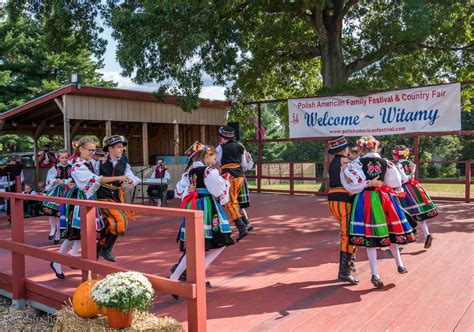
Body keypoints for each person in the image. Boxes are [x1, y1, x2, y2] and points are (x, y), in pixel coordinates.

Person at [50, 137, 131, 279]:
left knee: (79, 234)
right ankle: (60, 261)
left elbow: (100, 165)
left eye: (94, 150)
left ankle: (71, 259)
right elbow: (96, 179)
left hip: (88, 198)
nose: (92, 153)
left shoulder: (89, 163)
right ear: (80, 149)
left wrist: (104, 159)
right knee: (75, 232)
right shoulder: (78, 166)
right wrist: (120, 177)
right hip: (80, 200)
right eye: (90, 150)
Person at [343, 136, 416, 288]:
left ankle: (374, 274)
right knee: (392, 231)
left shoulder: (356, 163)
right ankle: (400, 264)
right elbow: (396, 181)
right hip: (384, 198)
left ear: (362, 149)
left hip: (367, 199)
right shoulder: (386, 162)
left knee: (371, 236)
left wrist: (367, 183)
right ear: (376, 148)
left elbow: (352, 184)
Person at [170, 142, 233, 298]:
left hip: (193, 206)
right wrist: (227, 183)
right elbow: (220, 193)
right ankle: (199, 270)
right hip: (207, 208)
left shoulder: (190, 172)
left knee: (194, 247)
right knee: (222, 241)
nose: (215, 159)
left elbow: (178, 190)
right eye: (213, 156)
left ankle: (174, 278)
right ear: (205, 156)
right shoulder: (208, 171)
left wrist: (189, 190)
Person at [327, 136, 383, 285]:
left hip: (333, 200)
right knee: (348, 234)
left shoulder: (333, 163)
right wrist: (370, 182)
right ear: (344, 150)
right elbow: (354, 181)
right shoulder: (345, 163)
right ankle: (345, 272)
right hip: (344, 201)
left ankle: (349, 267)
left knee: (347, 232)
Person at [96, 135, 140, 262]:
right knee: (120, 222)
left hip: (116, 198)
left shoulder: (124, 163)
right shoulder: (99, 161)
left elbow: (132, 178)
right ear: (110, 148)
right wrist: (97, 156)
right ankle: (106, 249)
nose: (121, 150)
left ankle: (99, 248)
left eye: (122, 148)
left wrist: (131, 181)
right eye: (119, 147)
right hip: (102, 198)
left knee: (108, 226)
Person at [392, 145, 437, 248]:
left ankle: (401, 244)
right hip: (414, 188)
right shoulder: (411, 164)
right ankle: (426, 235)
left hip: (404, 190)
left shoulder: (398, 165)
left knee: (403, 214)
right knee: (419, 214)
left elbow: (401, 179)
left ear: (397, 155)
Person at [216, 126, 254, 241]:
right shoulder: (240, 146)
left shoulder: (220, 148)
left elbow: (216, 161)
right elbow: (245, 165)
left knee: (230, 203)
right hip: (240, 176)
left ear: (223, 138)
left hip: (229, 176)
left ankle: (241, 228)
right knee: (234, 201)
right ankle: (245, 222)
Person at [42, 149, 73, 244]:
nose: (64, 159)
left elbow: (73, 178)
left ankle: (58, 233)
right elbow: (49, 179)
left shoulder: (72, 167)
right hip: (55, 190)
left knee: (60, 213)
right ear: (58, 158)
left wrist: (64, 181)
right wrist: (54, 181)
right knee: (51, 210)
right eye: (62, 157)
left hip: (66, 191)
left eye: (66, 157)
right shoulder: (54, 168)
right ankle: (52, 228)